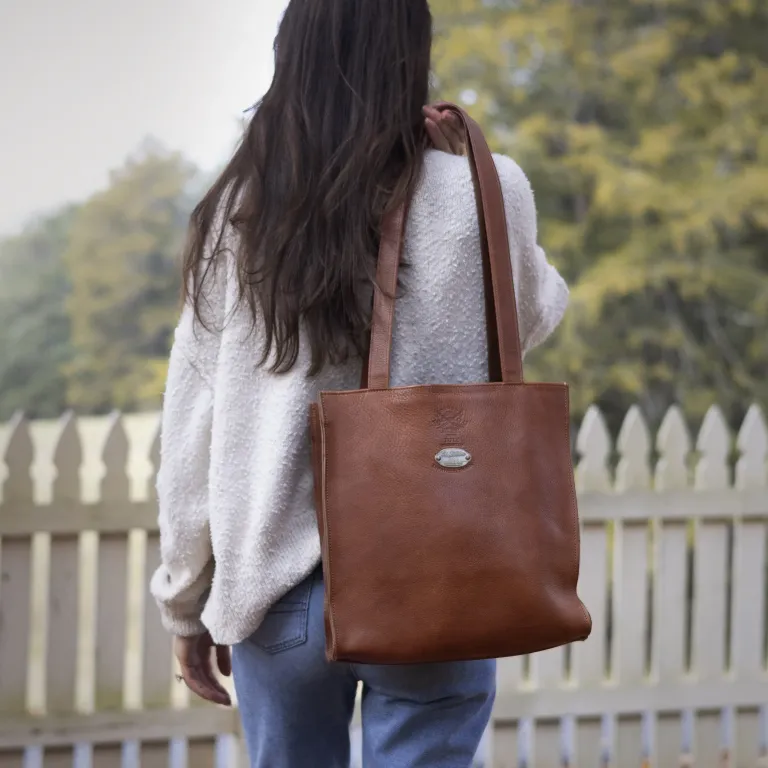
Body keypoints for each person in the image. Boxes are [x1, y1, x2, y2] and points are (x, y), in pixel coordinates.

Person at [150, 0, 569, 765]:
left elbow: (191, 426)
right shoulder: (485, 188)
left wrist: (184, 602)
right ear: (413, 52)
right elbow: (532, 315)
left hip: (275, 589)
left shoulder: (240, 208)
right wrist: (471, 183)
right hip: (436, 571)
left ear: (293, 56)